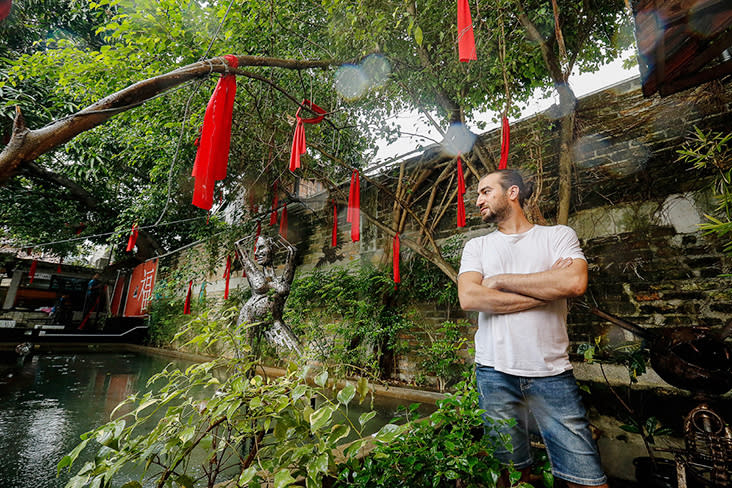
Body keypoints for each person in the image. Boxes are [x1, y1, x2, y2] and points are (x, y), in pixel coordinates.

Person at [457, 169, 608, 488]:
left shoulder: (557, 236)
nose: (477, 199)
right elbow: (470, 297)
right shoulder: (477, 247)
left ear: (512, 192)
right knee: (510, 473)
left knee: (586, 477)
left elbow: (574, 282)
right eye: (478, 193)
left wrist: (499, 282)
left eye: (485, 191)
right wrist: (545, 289)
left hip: (551, 374)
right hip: (493, 373)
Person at [236, 234, 301, 354]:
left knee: (299, 354)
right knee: (245, 360)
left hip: (275, 322)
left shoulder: (276, 279)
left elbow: (286, 280)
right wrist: (240, 246)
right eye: (255, 249)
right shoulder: (258, 276)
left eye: (261, 248)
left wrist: (291, 256)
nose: (256, 253)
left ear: (272, 250)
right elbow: (246, 261)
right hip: (249, 321)